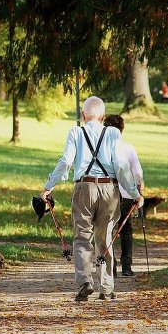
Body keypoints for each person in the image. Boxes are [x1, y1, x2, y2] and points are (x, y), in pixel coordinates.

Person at [40, 96, 144, 302]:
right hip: (109, 189)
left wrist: (48, 186)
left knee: (82, 237)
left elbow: (66, 162)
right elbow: (121, 166)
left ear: (83, 115)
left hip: (83, 188)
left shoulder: (75, 132)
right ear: (103, 116)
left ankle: (85, 282)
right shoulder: (113, 133)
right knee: (105, 237)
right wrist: (135, 194)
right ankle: (106, 288)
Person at [104, 115, 144, 277]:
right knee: (126, 229)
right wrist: (139, 189)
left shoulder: (102, 149)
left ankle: (111, 266)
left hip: (107, 192)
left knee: (108, 229)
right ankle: (126, 266)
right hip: (127, 193)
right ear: (122, 129)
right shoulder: (128, 148)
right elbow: (137, 173)